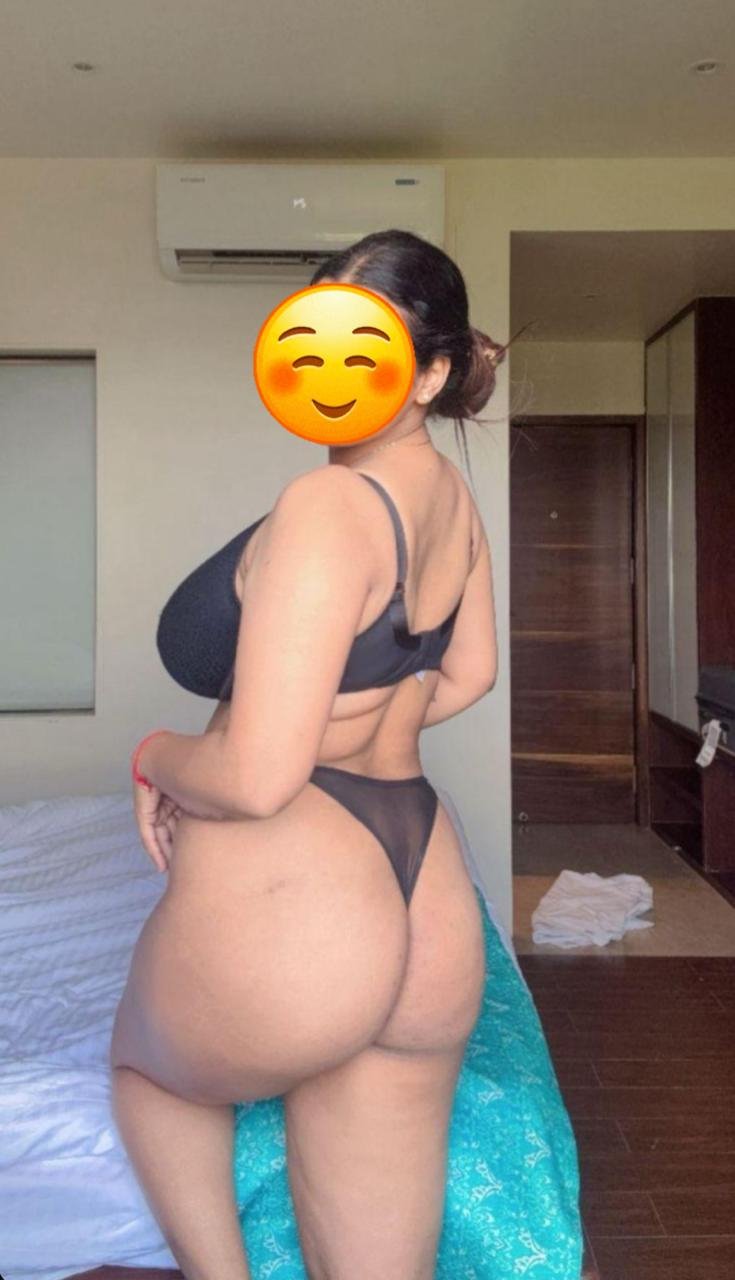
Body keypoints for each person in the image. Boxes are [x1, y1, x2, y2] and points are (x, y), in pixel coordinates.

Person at [109, 229, 582, 1279]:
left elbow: (257, 777)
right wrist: (373, 716)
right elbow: (469, 674)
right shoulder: (451, 500)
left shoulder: (326, 506)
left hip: (306, 877)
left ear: (431, 373)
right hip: (424, 885)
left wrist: (154, 754)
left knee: (148, 1073)